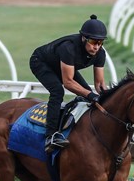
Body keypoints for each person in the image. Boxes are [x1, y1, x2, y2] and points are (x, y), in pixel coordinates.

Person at [29, 14, 107, 153]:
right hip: (40, 62)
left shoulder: (100, 53)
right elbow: (68, 83)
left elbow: (100, 84)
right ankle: (50, 136)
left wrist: (106, 99)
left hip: (63, 65)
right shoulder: (68, 48)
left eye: (100, 43)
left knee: (86, 95)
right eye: (93, 42)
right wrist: (90, 95)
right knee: (57, 91)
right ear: (83, 38)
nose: (97, 47)